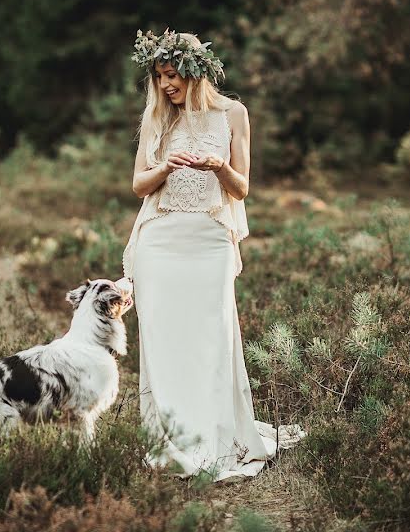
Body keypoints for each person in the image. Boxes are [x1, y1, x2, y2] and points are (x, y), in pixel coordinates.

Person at [122, 29, 304, 482]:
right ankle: (170, 436)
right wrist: (165, 167)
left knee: (211, 337)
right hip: (160, 240)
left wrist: (219, 166)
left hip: (210, 240)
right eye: (159, 76)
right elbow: (138, 186)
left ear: (195, 72)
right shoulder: (157, 118)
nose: (165, 85)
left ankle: (216, 431)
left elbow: (242, 187)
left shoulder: (234, 114)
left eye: (172, 75)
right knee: (163, 340)